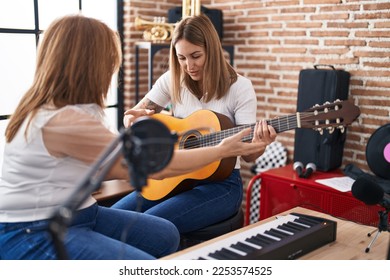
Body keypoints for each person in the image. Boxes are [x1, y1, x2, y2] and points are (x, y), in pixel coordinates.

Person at [0, 14, 271, 260]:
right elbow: (147, 159)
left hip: (214, 183)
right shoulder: (65, 120)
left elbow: (120, 162)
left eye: (195, 56)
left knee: (163, 233)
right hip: (35, 227)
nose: (112, 71)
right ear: (89, 65)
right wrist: (142, 120)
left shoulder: (62, 111)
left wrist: (235, 148)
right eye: (110, 61)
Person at [113, 14, 277, 235]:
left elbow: (247, 155)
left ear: (212, 50)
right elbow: (133, 115)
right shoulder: (172, 79)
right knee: (113, 218)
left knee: (142, 228)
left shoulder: (240, 87)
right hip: (175, 176)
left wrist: (261, 143)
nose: (189, 66)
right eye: (181, 58)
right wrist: (131, 119)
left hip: (221, 186)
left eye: (196, 56)